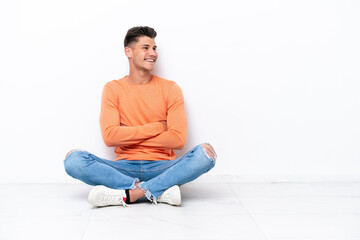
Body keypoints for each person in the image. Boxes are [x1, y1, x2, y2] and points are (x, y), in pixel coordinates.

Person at [64, 26, 216, 207]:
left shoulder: (170, 88)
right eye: (146, 48)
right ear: (128, 52)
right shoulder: (113, 89)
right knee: (73, 160)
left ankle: (131, 193)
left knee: (205, 154)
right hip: (124, 168)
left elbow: (177, 140)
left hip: (163, 167)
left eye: (154, 48)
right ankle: (156, 191)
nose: (153, 53)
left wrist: (127, 136)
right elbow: (110, 137)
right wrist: (157, 127)